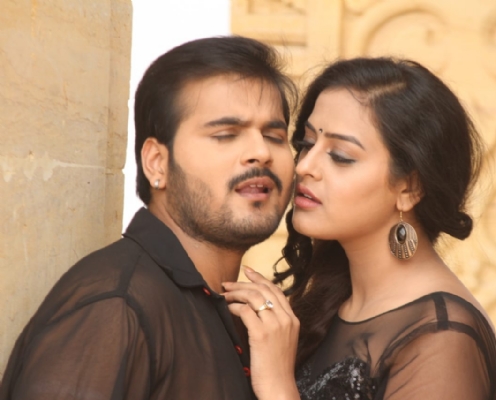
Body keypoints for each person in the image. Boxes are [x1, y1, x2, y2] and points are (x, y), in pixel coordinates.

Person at [0, 36, 296, 399]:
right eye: (226, 134)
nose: (261, 152)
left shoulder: (239, 316)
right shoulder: (115, 307)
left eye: (275, 136)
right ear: (157, 162)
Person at [223, 57, 496, 400]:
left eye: (340, 156)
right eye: (307, 144)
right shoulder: (332, 299)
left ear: (409, 188)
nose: (305, 166)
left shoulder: (442, 338)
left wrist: (278, 386)